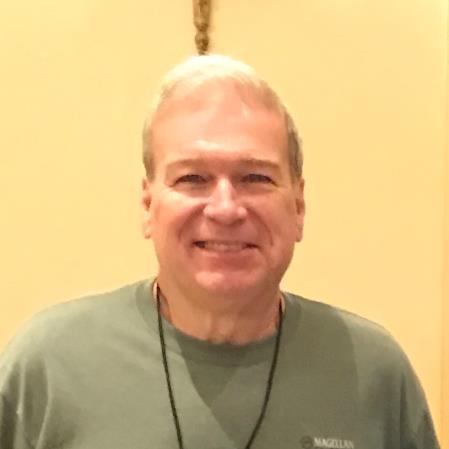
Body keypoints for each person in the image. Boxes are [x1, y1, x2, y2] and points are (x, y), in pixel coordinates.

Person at [0, 54, 440, 449]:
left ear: (298, 207)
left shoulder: (374, 372)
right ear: (149, 205)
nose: (226, 208)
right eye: (192, 178)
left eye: (256, 178)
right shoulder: (48, 367)